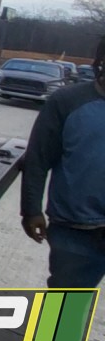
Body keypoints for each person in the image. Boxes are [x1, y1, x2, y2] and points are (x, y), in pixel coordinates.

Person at [21, 35, 105, 288]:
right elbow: (38, 158)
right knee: (64, 311)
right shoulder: (67, 101)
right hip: (77, 229)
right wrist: (31, 209)